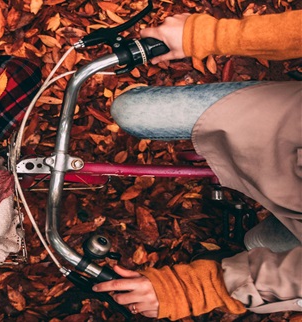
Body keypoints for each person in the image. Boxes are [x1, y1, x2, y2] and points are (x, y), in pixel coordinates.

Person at [93, 9, 302, 320]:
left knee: (257, 243)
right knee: (132, 110)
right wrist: (207, 36)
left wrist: (199, 287)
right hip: (288, 130)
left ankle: (251, 245)